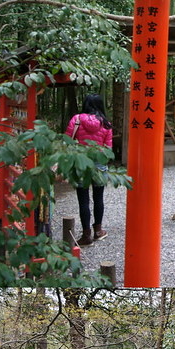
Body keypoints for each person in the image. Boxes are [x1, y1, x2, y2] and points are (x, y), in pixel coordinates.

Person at [65, 94, 114, 246]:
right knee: (99, 198)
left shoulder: (77, 119)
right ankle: (98, 231)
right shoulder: (106, 124)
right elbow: (108, 149)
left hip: (81, 164)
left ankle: (86, 235)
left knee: (83, 200)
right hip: (99, 164)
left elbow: (67, 140)